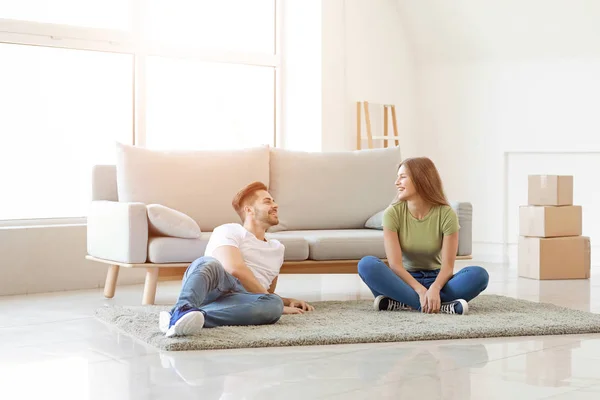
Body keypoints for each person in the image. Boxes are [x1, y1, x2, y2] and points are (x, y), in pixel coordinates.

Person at [159, 181, 314, 337]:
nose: (275, 205)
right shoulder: (229, 230)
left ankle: (189, 319)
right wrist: (277, 302)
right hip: (215, 288)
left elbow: (265, 293)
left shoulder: (278, 248)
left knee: (272, 305)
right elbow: (234, 268)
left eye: (274, 201)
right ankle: (182, 309)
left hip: (239, 301)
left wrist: (285, 302)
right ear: (249, 210)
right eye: (267, 201)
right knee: (208, 263)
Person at [358, 157, 489, 315]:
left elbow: (447, 268)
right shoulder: (392, 213)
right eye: (397, 177)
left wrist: (434, 288)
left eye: (403, 177)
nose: (396, 182)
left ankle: (401, 302)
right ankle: (440, 306)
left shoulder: (446, 214)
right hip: (403, 281)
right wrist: (420, 291)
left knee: (479, 275)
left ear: (421, 179)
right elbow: (395, 266)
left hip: (438, 279)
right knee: (367, 265)